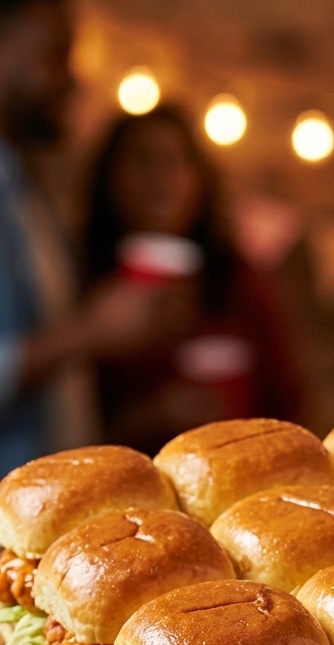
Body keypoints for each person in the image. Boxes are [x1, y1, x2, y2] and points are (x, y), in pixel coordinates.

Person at [0, 0, 184, 471]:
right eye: (55, 57)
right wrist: (91, 329)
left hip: (57, 504)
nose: (72, 81)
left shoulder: (23, 186)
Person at [83, 106, 305, 454]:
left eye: (176, 161)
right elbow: (65, 423)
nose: (161, 177)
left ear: (201, 179)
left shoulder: (240, 281)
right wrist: (150, 415)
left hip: (237, 481)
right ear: (109, 178)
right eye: (142, 161)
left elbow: (290, 404)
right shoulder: (82, 289)